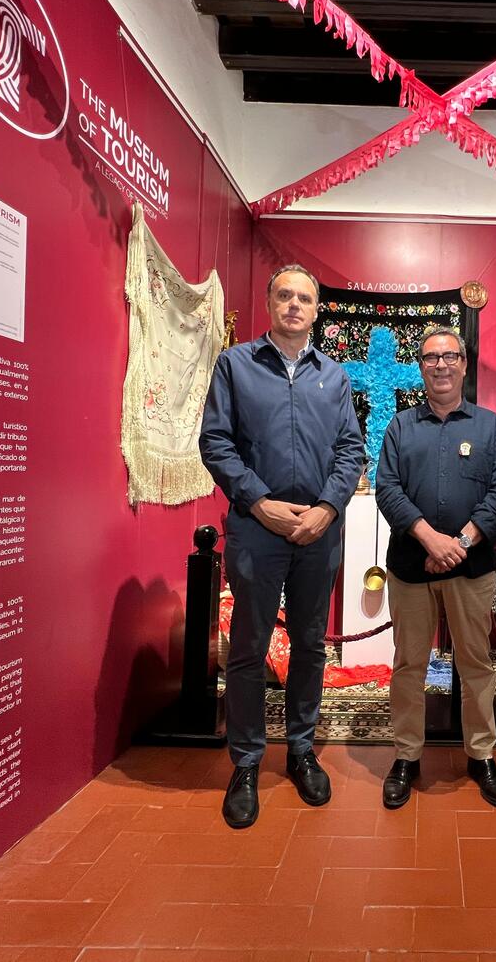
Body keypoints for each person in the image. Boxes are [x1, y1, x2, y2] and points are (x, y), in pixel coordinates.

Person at [199, 264, 363, 829]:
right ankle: (246, 762)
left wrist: (327, 508)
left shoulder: (334, 377)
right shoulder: (235, 365)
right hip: (256, 528)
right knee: (248, 648)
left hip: (318, 533)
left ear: (316, 310)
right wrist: (259, 502)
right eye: (285, 296)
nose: (294, 305)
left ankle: (301, 749)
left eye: (305, 299)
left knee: (311, 645)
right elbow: (215, 442)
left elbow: (351, 450)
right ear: (270, 303)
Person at [375, 327, 496, 809]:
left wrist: (459, 543)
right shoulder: (400, 427)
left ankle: (481, 755)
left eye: (450, 356)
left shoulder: (489, 427)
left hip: (470, 568)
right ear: (421, 367)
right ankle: (406, 756)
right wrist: (430, 538)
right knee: (409, 664)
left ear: (464, 364)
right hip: (411, 566)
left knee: (475, 663)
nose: (441, 365)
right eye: (431, 357)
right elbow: (387, 488)